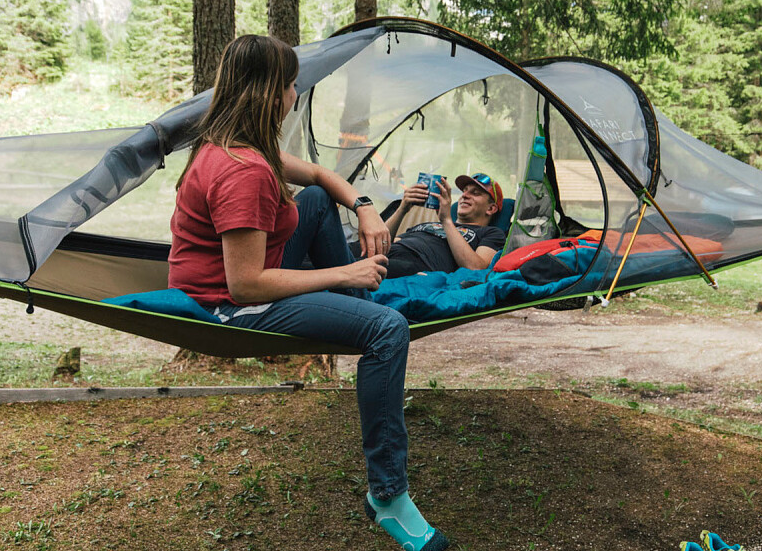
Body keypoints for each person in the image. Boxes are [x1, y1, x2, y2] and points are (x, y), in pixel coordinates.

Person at [168, 34, 450, 551]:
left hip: (247, 279)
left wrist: (364, 205)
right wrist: (346, 275)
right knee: (389, 330)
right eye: (293, 84)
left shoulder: (242, 145)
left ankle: (355, 313)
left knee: (318, 199)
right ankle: (386, 494)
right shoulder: (244, 171)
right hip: (230, 307)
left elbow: (321, 175)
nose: (296, 93)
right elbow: (246, 284)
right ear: (273, 93)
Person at [382, 173, 508, 278]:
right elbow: (382, 243)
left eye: (475, 193)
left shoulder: (491, 233)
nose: (464, 195)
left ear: (491, 208)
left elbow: (475, 268)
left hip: (416, 264)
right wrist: (402, 209)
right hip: (387, 254)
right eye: (464, 191)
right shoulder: (429, 224)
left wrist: (446, 220)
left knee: (370, 267)